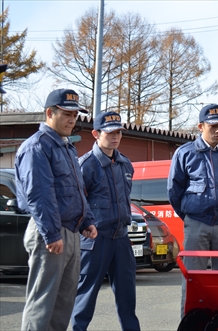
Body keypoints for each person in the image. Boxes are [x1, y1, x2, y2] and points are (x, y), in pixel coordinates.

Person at [15, 88, 98, 331]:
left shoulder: (67, 148)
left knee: (63, 303)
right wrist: (51, 233)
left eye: (75, 114)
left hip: (70, 232)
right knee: (42, 303)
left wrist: (86, 221)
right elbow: (40, 195)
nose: (72, 119)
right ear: (50, 113)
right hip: (49, 232)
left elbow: (76, 190)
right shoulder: (37, 147)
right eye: (66, 114)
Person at [168, 104, 218, 317]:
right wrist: (190, 217)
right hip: (196, 223)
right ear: (201, 126)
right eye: (213, 126)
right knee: (193, 278)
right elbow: (174, 190)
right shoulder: (185, 153)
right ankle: (189, 324)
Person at [71, 111, 140, 331]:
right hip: (95, 241)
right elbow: (77, 203)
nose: (115, 136)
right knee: (85, 297)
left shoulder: (125, 164)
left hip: (121, 239)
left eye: (118, 132)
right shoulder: (85, 166)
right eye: (110, 132)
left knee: (127, 297)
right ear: (95, 133)